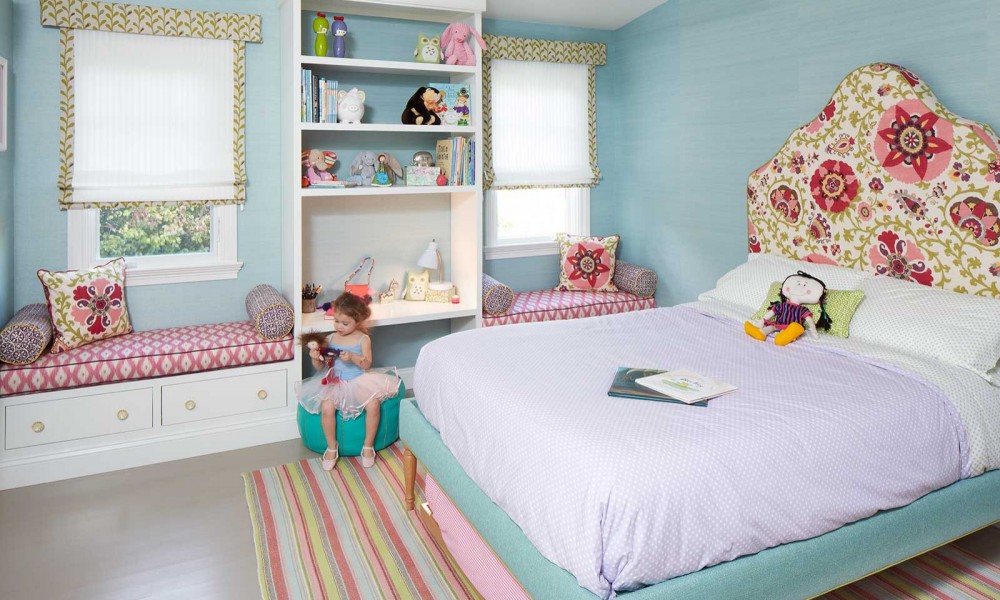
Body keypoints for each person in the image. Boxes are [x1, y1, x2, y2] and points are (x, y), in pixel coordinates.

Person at [297, 292, 400, 470]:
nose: (339, 326)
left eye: (345, 323)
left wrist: (353, 357)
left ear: (356, 321)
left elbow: (367, 364)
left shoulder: (363, 339)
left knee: (373, 405)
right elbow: (321, 367)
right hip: (335, 381)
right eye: (336, 321)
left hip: (358, 379)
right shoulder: (330, 338)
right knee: (327, 408)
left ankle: (368, 445)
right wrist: (315, 357)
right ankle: (331, 447)